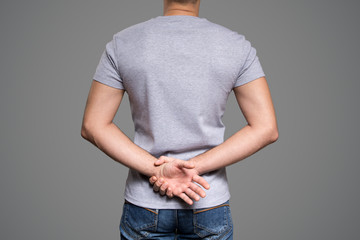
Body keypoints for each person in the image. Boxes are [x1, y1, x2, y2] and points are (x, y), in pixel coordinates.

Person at [81, 0, 278, 239]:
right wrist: (196, 167)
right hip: (207, 201)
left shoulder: (123, 43)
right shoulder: (236, 46)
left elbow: (93, 125)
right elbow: (266, 128)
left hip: (145, 204)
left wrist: (160, 169)